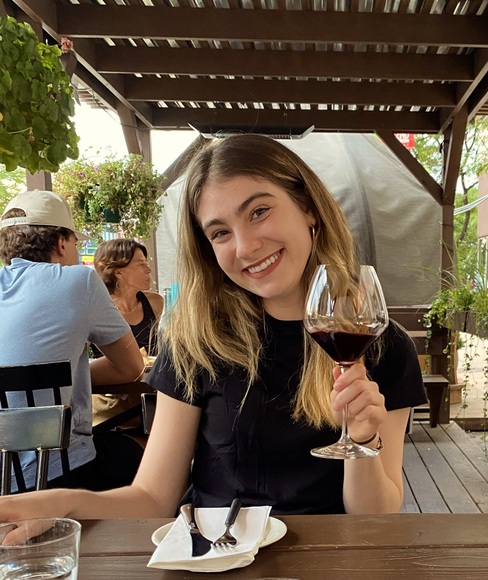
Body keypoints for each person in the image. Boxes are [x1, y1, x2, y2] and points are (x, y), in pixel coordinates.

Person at [0, 136, 426, 525]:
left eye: (259, 212)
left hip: (329, 562)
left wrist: (362, 438)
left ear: (308, 208)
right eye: (220, 232)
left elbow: (375, 516)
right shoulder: (198, 341)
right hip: (215, 558)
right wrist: (65, 503)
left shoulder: (381, 345)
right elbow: (152, 498)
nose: (245, 247)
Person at [0, 190, 145, 493]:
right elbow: (131, 367)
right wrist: (66, 374)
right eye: (76, 243)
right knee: (151, 452)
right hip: (56, 474)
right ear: (61, 243)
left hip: (5, 479)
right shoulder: (79, 280)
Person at [90, 239, 164, 430]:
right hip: (111, 403)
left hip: (150, 396)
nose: (148, 270)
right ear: (119, 271)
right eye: (141, 264)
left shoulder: (155, 303)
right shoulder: (97, 309)